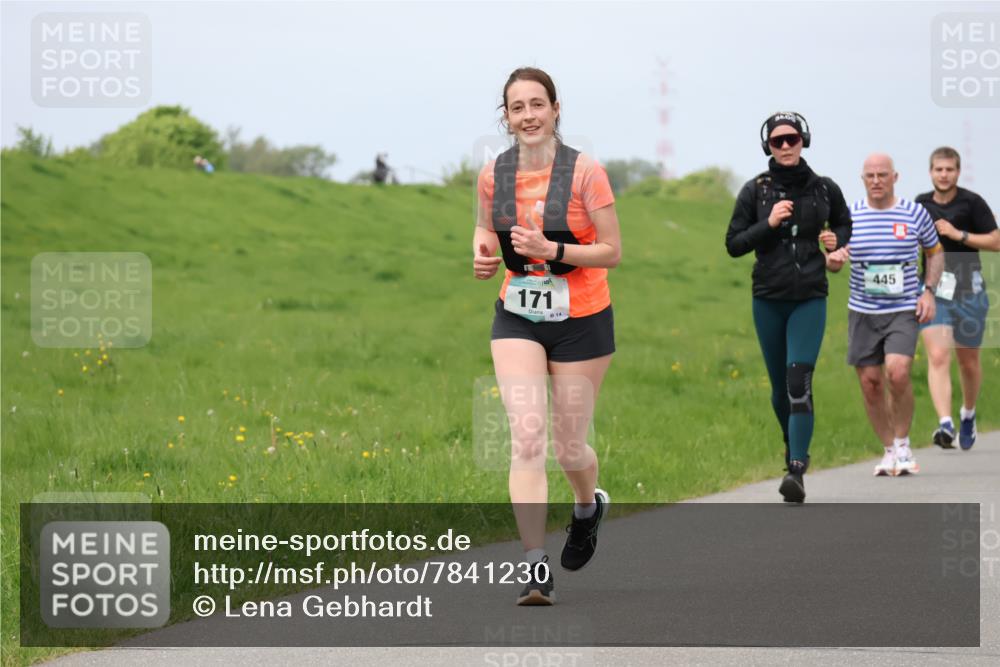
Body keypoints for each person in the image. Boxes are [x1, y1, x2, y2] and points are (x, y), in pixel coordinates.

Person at [472, 67, 621, 605]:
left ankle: (587, 507)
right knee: (529, 436)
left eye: (538, 104)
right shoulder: (494, 174)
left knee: (568, 445)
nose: (529, 115)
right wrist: (482, 253)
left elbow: (612, 251)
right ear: (506, 117)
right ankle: (535, 567)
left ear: (556, 109)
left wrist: (552, 250)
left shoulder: (586, 172)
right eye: (518, 107)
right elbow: (485, 227)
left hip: (582, 319)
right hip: (518, 315)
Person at [725, 112, 852, 503]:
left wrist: (836, 245)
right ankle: (791, 443)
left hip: (809, 297)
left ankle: (796, 469)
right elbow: (734, 244)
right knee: (781, 392)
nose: (784, 146)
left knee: (799, 381)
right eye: (777, 141)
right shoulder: (755, 191)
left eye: (791, 139)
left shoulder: (825, 189)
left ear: (803, 141)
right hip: (768, 298)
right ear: (768, 146)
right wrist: (769, 223)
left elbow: (844, 225)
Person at [826, 154, 944, 476]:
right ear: (862, 179)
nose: (876, 181)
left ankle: (904, 444)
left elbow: (935, 252)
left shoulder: (914, 213)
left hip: (902, 308)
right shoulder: (850, 216)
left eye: (882, 175)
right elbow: (835, 259)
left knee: (898, 372)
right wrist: (833, 261)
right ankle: (889, 449)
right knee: (871, 383)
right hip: (863, 311)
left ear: (895, 177)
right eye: (870, 175)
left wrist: (929, 291)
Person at [914, 147, 999, 450]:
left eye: (949, 169)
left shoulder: (972, 203)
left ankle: (968, 414)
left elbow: (996, 240)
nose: (944, 175)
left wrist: (957, 234)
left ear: (958, 172)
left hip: (969, 290)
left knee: (968, 362)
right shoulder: (921, 204)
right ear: (930, 172)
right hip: (934, 290)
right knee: (938, 355)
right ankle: (945, 424)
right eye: (939, 169)